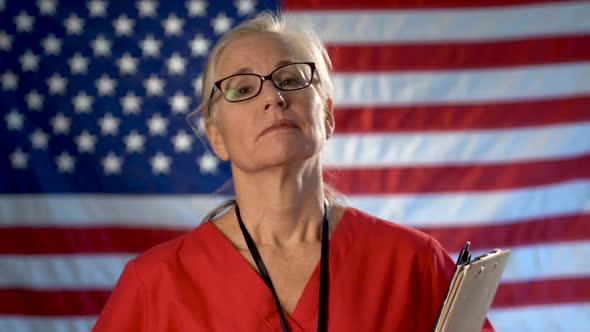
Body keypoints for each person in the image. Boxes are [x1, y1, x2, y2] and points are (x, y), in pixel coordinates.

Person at [93, 12, 495, 332]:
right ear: (216, 137)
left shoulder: (414, 263)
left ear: (328, 115)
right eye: (242, 88)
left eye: (290, 78)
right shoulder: (154, 284)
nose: (273, 96)